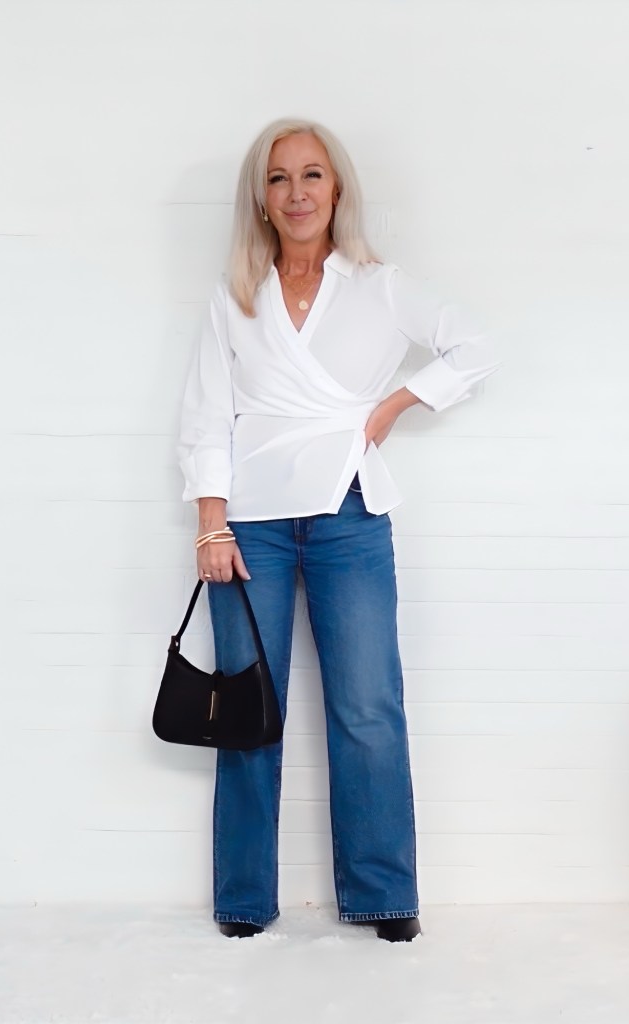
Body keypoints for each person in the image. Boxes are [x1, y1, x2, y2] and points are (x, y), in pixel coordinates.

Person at [177, 118, 501, 942]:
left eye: (311, 176)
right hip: (248, 527)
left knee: (367, 707)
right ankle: (244, 899)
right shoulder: (235, 293)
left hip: (349, 515)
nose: (296, 194)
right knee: (251, 709)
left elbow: (475, 347)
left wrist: (391, 406)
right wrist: (211, 526)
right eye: (279, 178)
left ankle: (384, 895)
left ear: (337, 189)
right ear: (261, 196)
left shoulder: (377, 285)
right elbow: (207, 413)